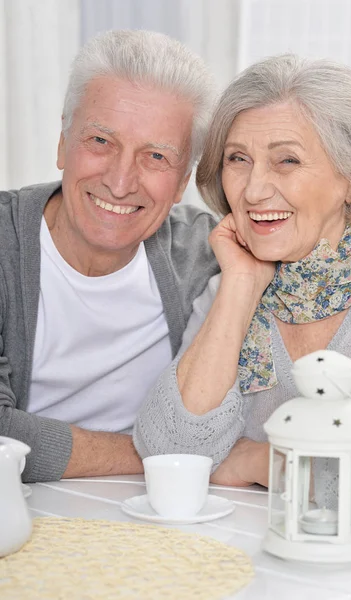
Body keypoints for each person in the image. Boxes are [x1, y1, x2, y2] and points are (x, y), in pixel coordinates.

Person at [134, 54, 351, 518]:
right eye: (239, 159)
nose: (254, 190)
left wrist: (265, 461)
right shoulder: (229, 284)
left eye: (287, 160)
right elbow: (170, 454)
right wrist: (240, 285)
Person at [0, 29, 220, 483]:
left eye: (156, 156)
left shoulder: (207, 255)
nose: (121, 183)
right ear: (63, 142)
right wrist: (167, 459)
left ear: (182, 184)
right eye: (101, 141)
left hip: (159, 522)